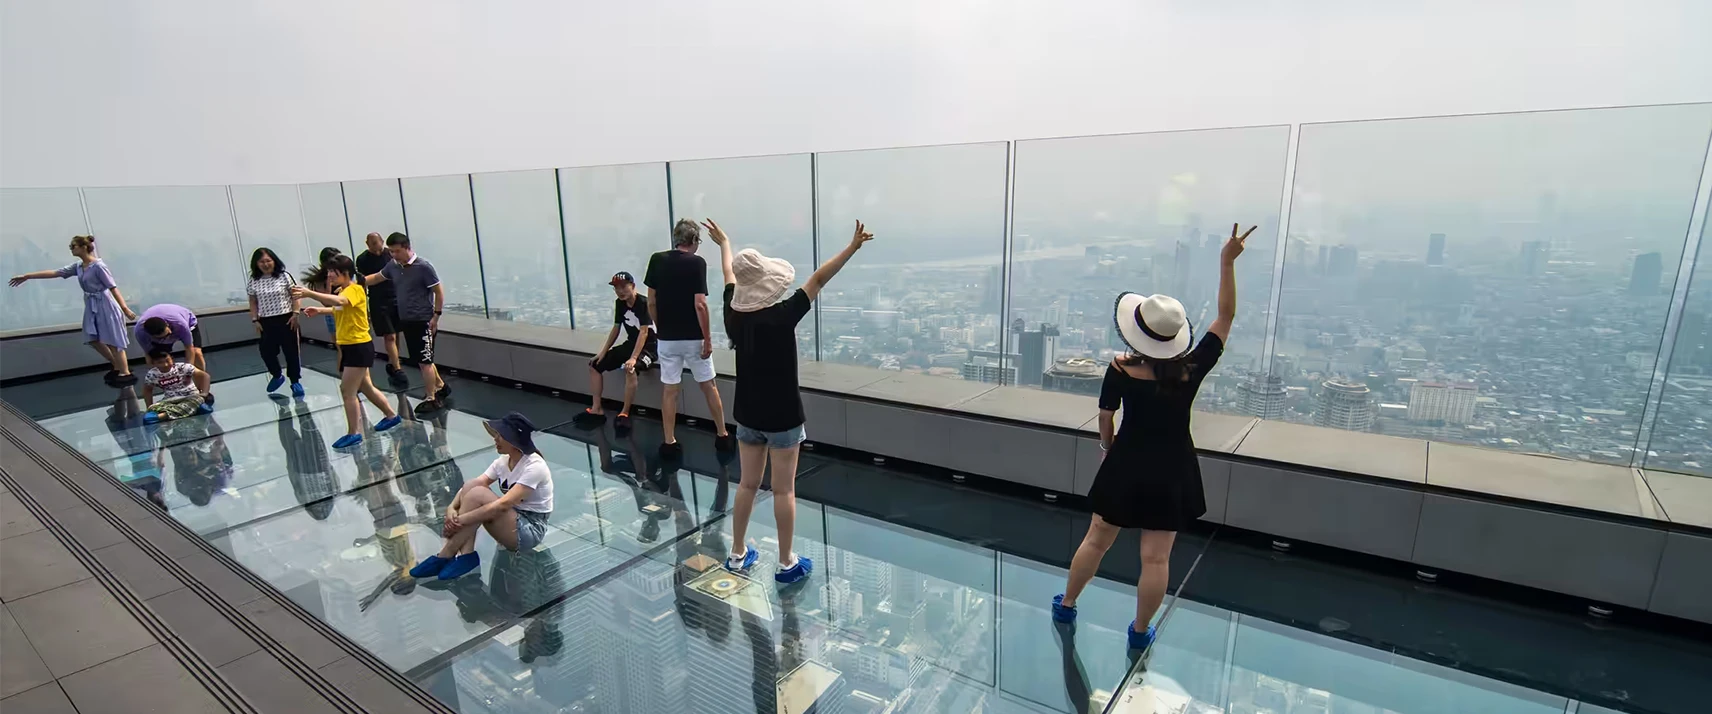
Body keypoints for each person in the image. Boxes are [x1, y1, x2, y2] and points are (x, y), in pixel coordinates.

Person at [1053, 223, 1255, 650]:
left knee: (1096, 540)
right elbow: (1225, 317)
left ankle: (1067, 604)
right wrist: (1226, 261)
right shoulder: (1191, 368)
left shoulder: (1120, 368)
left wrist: (1107, 448)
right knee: (1156, 558)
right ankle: (1140, 633)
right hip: (1173, 469)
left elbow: (1106, 415)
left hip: (1125, 463)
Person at [712, 218, 874, 585]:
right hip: (783, 416)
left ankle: (737, 554)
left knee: (746, 485)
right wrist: (852, 247)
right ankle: (786, 562)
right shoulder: (783, 316)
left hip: (747, 414)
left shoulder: (732, 317)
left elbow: (728, 275)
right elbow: (818, 279)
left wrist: (724, 242)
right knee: (783, 489)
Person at [408, 412, 552, 582]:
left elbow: (503, 505)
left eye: (500, 435)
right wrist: (451, 508)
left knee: (478, 495)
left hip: (530, 529)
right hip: (512, 520)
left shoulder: (535, 466)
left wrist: (460, 521)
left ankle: (447, 554)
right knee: (473, 488)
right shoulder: (502, 462)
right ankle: (465, 555)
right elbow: (472, 485)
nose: (495, 439)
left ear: (513, 440)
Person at [292, 254, 402, 448]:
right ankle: (391, 415)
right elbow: (340, 309)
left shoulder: (354, 290)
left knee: (347, 391)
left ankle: (354, 433)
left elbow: (341, 302)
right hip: (353, 346)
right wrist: (321, 311)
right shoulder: (345, 291)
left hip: (358, 347)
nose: (329, 277)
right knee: (366, 387)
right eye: (329, 273)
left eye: (332, 273)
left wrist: (310, 295)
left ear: (345, 273)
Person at [644, 219, 732, 457]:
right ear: (694, 241)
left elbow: (651, 301)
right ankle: (722, 435)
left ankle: (669, 441)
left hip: (667, 338)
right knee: (708, 385)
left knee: (670, 389)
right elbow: (700, 305)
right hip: (693, 337)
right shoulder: (697, 263)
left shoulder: (656, 259)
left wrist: (660, 327)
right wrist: (708, 339)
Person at [9, 235, 138, 384]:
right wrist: (27, 276)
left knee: (113, 339)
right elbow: (56, 273)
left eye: (73, 246)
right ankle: (115, 364)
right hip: (91, 304)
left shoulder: (99, 266)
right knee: (93, 338)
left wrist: (125, 308)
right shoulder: (78, 266)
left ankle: (124, 371)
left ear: (84, 247)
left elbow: (113, 288)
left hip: (105, 304)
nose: (71, 249)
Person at [362, 233, 450, 414]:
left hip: (422, 320)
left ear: (407, 248)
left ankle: (431, 397)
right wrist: (356, 284)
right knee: (421, 358)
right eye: (392, 251)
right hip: (406, 319)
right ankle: (440, 386)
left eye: (397, 251)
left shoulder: (423, 267)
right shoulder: (394, 266)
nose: (394, 255)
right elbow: (378, 277)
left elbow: (438, 292)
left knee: (425, 361)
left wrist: (436, 316)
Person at [577, 271, 657, 431]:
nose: (620, 291)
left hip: (651, 346)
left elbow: (644, 332)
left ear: (632, 286)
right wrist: (603, 352)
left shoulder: (644, 303)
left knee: (631, 369)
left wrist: (633, 358)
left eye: (623, 287)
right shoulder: (619, 303)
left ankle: (624, 413)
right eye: (616, 288)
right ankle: (596, 408)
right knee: (594, 365)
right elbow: (616, 328)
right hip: (631, 344)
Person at [246, 247, 305, 398]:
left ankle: (295, 381)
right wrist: (255, 319)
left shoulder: (284, 276)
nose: (265, 264)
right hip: (265, 321)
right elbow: (253, 302)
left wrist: (296, 313)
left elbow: (296, 295)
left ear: (274, 261)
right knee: (266, 351)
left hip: (287, 318)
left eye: (268, 260)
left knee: (291, 351)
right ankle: (277, 374)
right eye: (262, 262)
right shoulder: (254, 280)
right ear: (256, 264)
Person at [355, 231, 408, 386]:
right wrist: (363, 306)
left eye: (378, 244)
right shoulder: (363, 259)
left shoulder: (390, 255)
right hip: (378, 300)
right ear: (367, 244)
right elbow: (362, 282)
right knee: (389, 335)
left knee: (396, 333)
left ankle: (394, 363)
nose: (377, 249)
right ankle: (398, 368)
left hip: (395, 297)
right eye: (373, 245)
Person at [134, 303, 210, 404]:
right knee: (161, 358)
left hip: (186, 323)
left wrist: (187, 372)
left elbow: (189, 347)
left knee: (197, 353)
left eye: (168, 334)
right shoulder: (140, 333)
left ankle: (199, 387)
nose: (168, 339)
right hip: (157, 335)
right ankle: (173, 390)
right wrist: (156, 375)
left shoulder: (180, 324)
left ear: (167, 325)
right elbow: (149, 354)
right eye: (162, 338)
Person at [140, 346, 211, 423]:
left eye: (167, 360)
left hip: (190, 396)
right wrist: (149, 407)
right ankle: (191, 410)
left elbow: (205, 376)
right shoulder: (152, 374)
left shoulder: (183, 367)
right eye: (160, 362)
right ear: (153, 363)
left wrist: (204, 393)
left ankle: (163, 416)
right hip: (170, 400)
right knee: (154, 408)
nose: (165, 364)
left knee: (197, 400)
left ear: (172, 358)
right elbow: (147, 390)